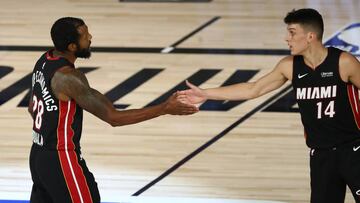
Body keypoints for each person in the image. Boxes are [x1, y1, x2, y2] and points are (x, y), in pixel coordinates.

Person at [180, 8, 360, 203]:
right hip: (321, 155)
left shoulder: (344, 63)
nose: (286, 38)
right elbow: (253, 89)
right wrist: (206, 93)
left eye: (292, 32)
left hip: (354, 151)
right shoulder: (289, 66)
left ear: (310, 36)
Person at [28, 17, 198, 203]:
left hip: (38, 155)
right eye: (85, 36)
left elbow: (32, 107)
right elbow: (113, 118)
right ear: (72, 47)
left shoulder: (45, 60)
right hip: (61, 158)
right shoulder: (69, 78)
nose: (90, 37)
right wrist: (165, 108)